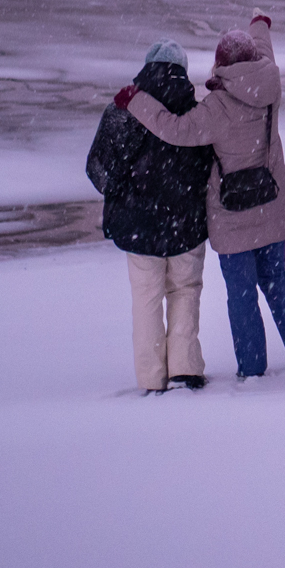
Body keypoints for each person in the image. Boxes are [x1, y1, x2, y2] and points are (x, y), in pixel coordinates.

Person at [117, 11, 285, 380]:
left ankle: (253, 367)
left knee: (242, 294)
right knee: (277, 279)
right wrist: (260, 22)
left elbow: (174, 128)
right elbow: (263, 49)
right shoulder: (269, 85)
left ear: (221, 64)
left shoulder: (216, 109)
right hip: (272, 205)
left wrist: (136, 101)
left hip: (233, 216)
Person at [86, 38, 214, 394]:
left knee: (145, 300)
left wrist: (123, 193)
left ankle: (151, 377)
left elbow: (96, 167)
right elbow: (208, 165)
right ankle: (184, 370)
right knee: (185, 292)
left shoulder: (120, 111)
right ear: (183, 71)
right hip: (186, 223)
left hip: (138, 227)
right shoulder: (194, 111)